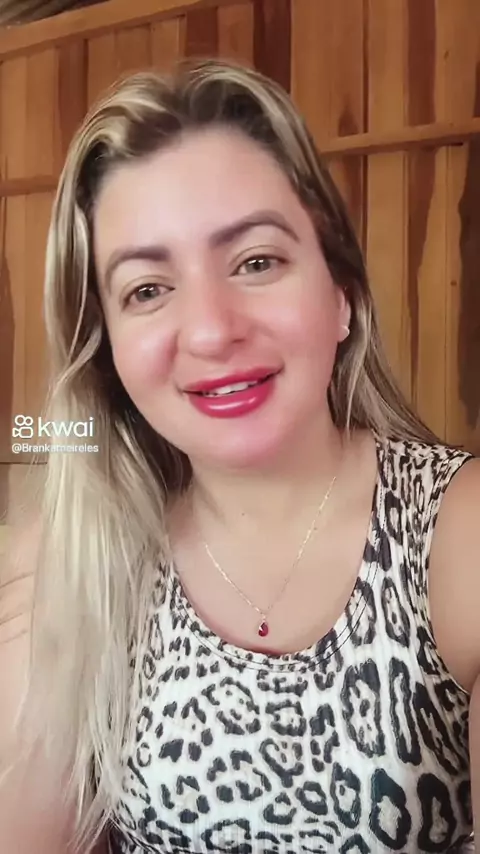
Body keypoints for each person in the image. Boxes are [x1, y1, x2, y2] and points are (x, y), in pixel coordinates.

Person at [0, 57, 479, 854]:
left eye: (257, 262)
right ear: (107, 349)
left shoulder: (458, 536)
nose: (212, 330)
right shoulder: (69, 564)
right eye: (147, 290)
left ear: (342, 297)